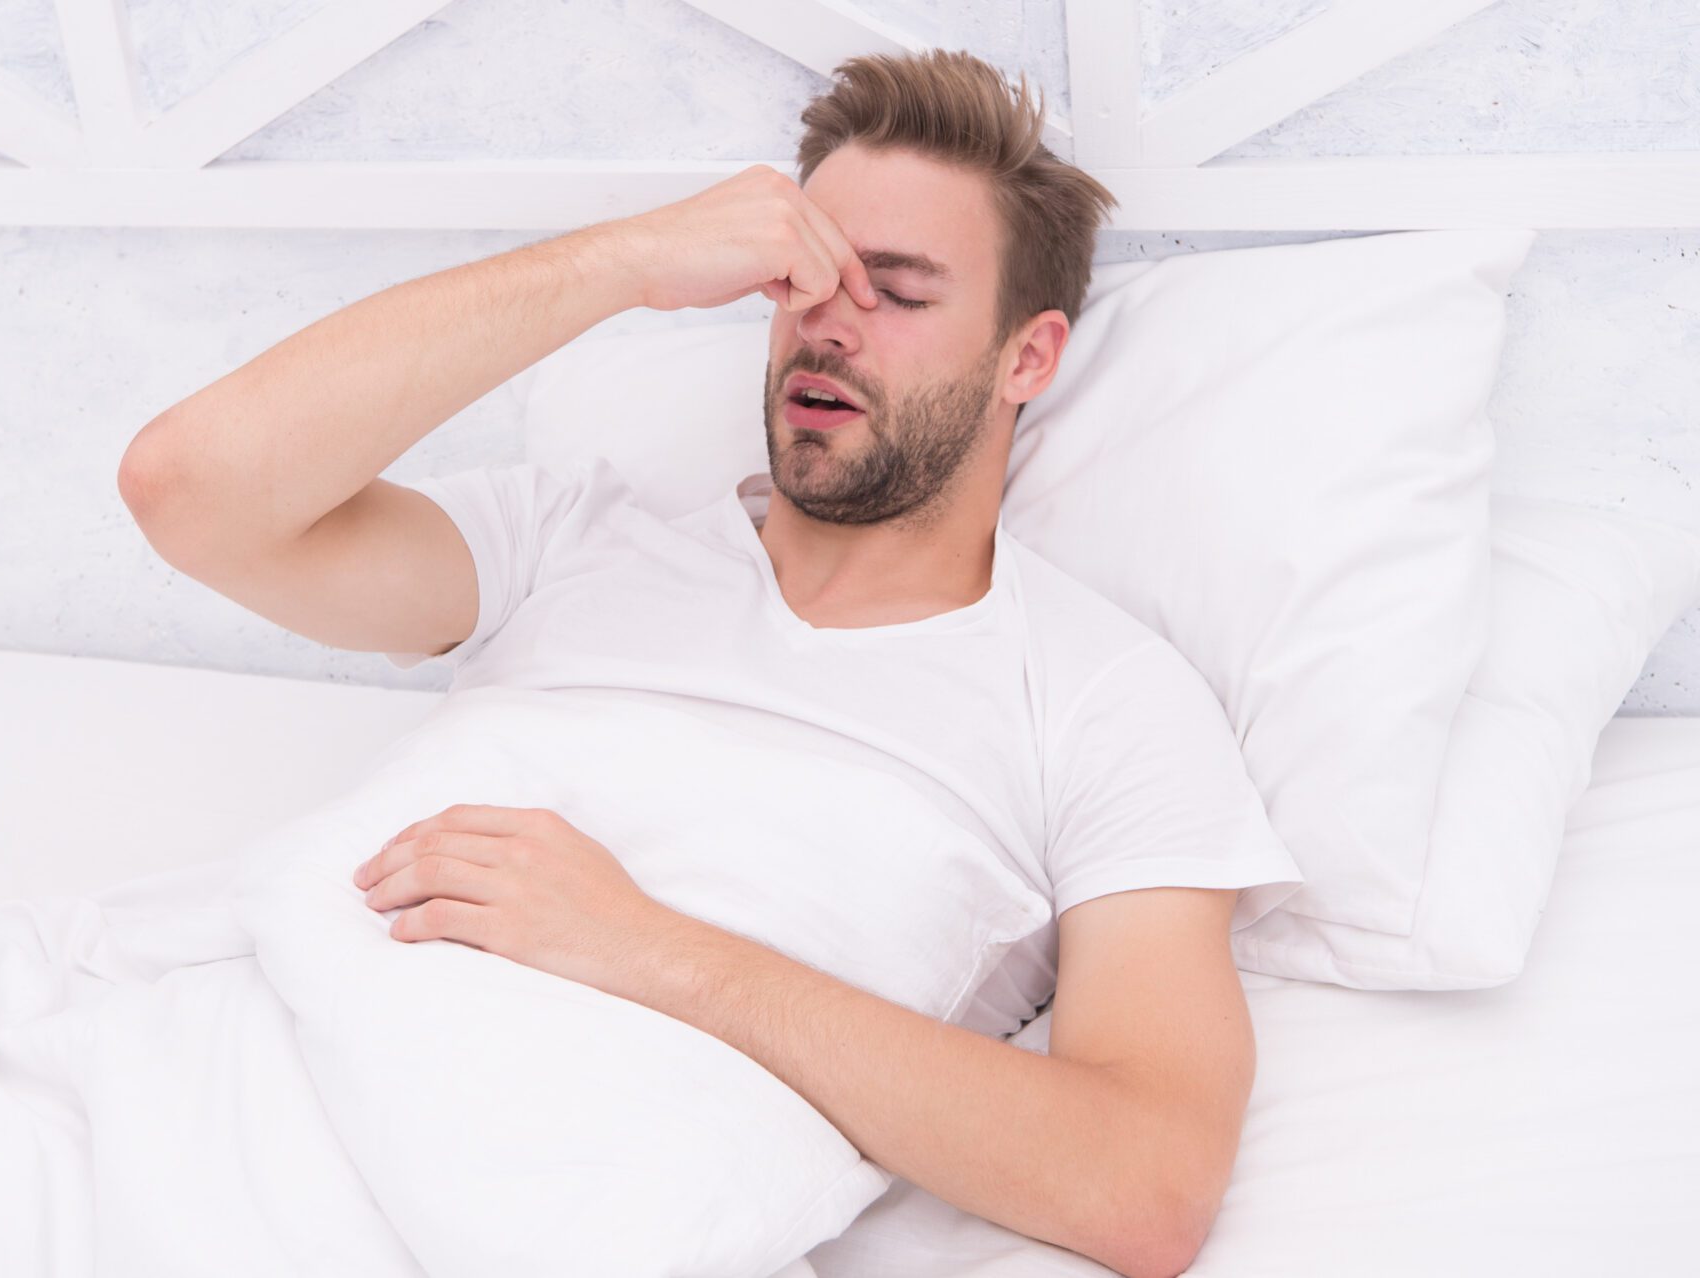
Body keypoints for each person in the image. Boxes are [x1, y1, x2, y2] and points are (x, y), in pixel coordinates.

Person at [117, 48, 1302, 1278]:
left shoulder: (1106, 700)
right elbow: (189, 493)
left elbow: (1144, 1184)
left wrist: (639, 942)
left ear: (1028, 358)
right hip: (189, 1086)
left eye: (896, 290)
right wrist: (617, 261)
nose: (830, 325)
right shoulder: (571, 540)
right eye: (806, 277)